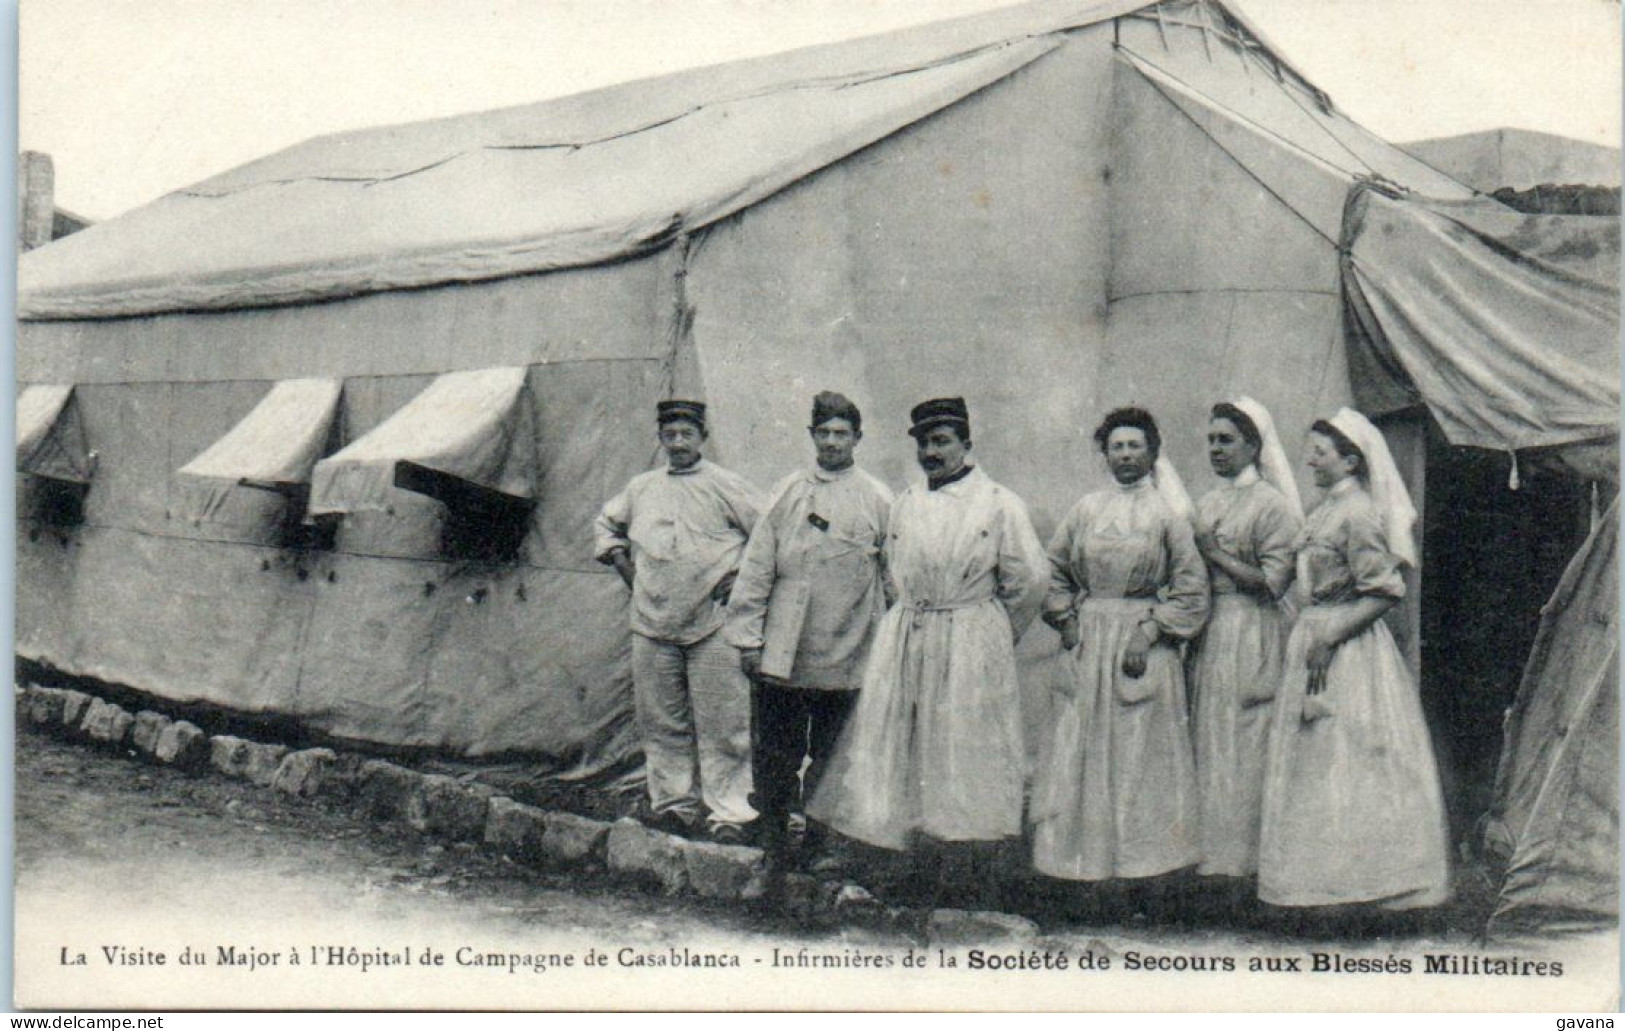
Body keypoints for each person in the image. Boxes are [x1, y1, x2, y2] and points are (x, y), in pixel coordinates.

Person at [806, 397, 1045, 904]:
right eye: (924, 443)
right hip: (910, 633)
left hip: (971, 639)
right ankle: (898, 859)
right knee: (901, 741)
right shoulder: (907, 502)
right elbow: (894, 573)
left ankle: (965, 867)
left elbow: (1029, 581)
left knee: (964, 747)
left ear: (966, 445)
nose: (932, 452)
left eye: (943, 442)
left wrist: (990, 635)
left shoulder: (999, 503)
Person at [1257, 408, 1451, 916]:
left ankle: (1365, 887)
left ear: (1350, 460)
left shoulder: (1360, 512)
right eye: (1311, 452)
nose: (1310, 461)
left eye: (1321, 453)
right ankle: (1318, 888)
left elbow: (1386, 590)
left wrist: (1332, 635)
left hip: (1350, 651)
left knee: (1350, 761)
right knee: (1316, 765)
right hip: (1316, 637)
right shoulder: (1324, 512)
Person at [1031, 407, 1209, 910]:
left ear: (1153, 453)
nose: (1125, 455)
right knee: (1081, 752)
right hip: (1088, 645)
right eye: (1116, 447)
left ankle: (1143, 879)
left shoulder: (1167, 516)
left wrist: (1151, 631)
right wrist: (1065, 622)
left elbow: (1193, 591)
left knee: (1138, 760)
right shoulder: (1086, 510)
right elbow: (1054, 569)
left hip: (1141, 650)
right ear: (1104, 453)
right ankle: (1081, 876)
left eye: (1135, 446)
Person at [724, 392, 894, 872]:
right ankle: (775, 840)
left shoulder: (878, 499)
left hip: (847, 648)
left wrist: (892, 646)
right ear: (812, 436)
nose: (833, 442)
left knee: (832, 753)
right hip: (784, 650)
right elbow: (757, 567)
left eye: (843, 434)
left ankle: (819, 844)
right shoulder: (788, 492)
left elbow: (892, 579)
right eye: (825, 433)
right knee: (777, 750)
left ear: (858, 439)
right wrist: (748, 638)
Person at [593, 400, 763, 844]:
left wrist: (739, 575)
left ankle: (730, 814)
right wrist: (623, 565)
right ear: (661, 439)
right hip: (653, 621)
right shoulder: (642, 487)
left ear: (702, 436)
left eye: (687, 433)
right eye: (670, 434)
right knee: (661, 722)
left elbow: (767, 535)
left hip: (713, 622)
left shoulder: (726, 484)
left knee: (723, 723)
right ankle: (673, 807)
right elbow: (605, 526)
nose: (679, 442)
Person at [1187, 398, 1303, 907]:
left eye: (1226, 440)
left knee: (1247, 747)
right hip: (1210, 633)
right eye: (1211, 440)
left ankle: (1250, 873)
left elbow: (1273, 584)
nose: (1215, 449)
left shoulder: (1272, 506)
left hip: (1252, 632)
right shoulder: (1206, 503)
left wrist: (1213, 552)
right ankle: (1211, 870)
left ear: (1253, 446)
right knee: (1210, 746)